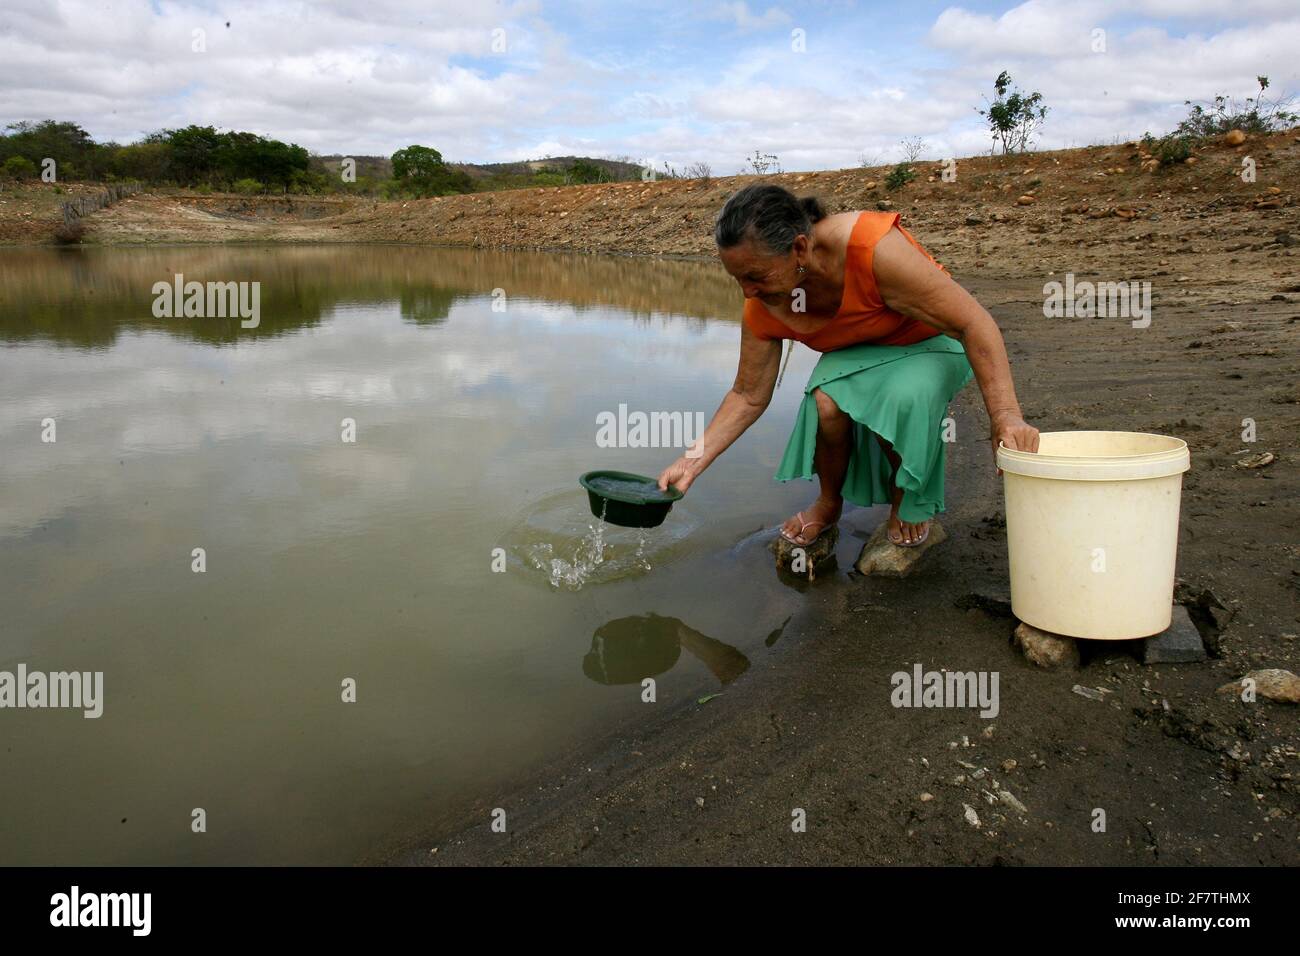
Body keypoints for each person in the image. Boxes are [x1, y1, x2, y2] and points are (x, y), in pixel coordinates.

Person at [656, 183, 1039, 548]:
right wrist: (690, 462)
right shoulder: (764, 303)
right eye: (738, 278)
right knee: (825, 401)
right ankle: (828, 501)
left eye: (755, 276)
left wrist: (1005, 416)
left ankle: (905, 496)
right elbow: (747, 395)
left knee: (902, 396)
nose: (747, 292)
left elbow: (972, 323)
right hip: (860, 350)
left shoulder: (870, 249)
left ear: (800, 248)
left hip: (926, 343)